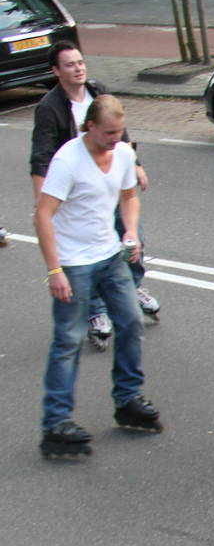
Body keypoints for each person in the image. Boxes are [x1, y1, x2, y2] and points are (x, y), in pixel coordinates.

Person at [34, 96, 161, 458]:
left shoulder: (122, 153)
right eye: (108, 132)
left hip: (109, 256)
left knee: (131, 323)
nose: (115, 139)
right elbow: (42, 216)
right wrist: (54, 269)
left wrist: (131, 231)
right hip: (73, 263)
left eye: (119, 131)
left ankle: (127, 399)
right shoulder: (68, 160)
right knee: (68, 341)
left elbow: (129, 197)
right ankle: (55, 424)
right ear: (89, 126)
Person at [31, 42, 157, 349]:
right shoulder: (49, 107)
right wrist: (43, 201)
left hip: (110, 181)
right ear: (56, 71)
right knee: (93, 254)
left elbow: (120, 133)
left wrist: (135, 163)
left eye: (80, 62)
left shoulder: (97, 90)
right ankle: (97, 312)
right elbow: (42, 158)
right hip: (79, 192)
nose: (78, 68)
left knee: (132, 238)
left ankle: (130, 289)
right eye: (70, 64)